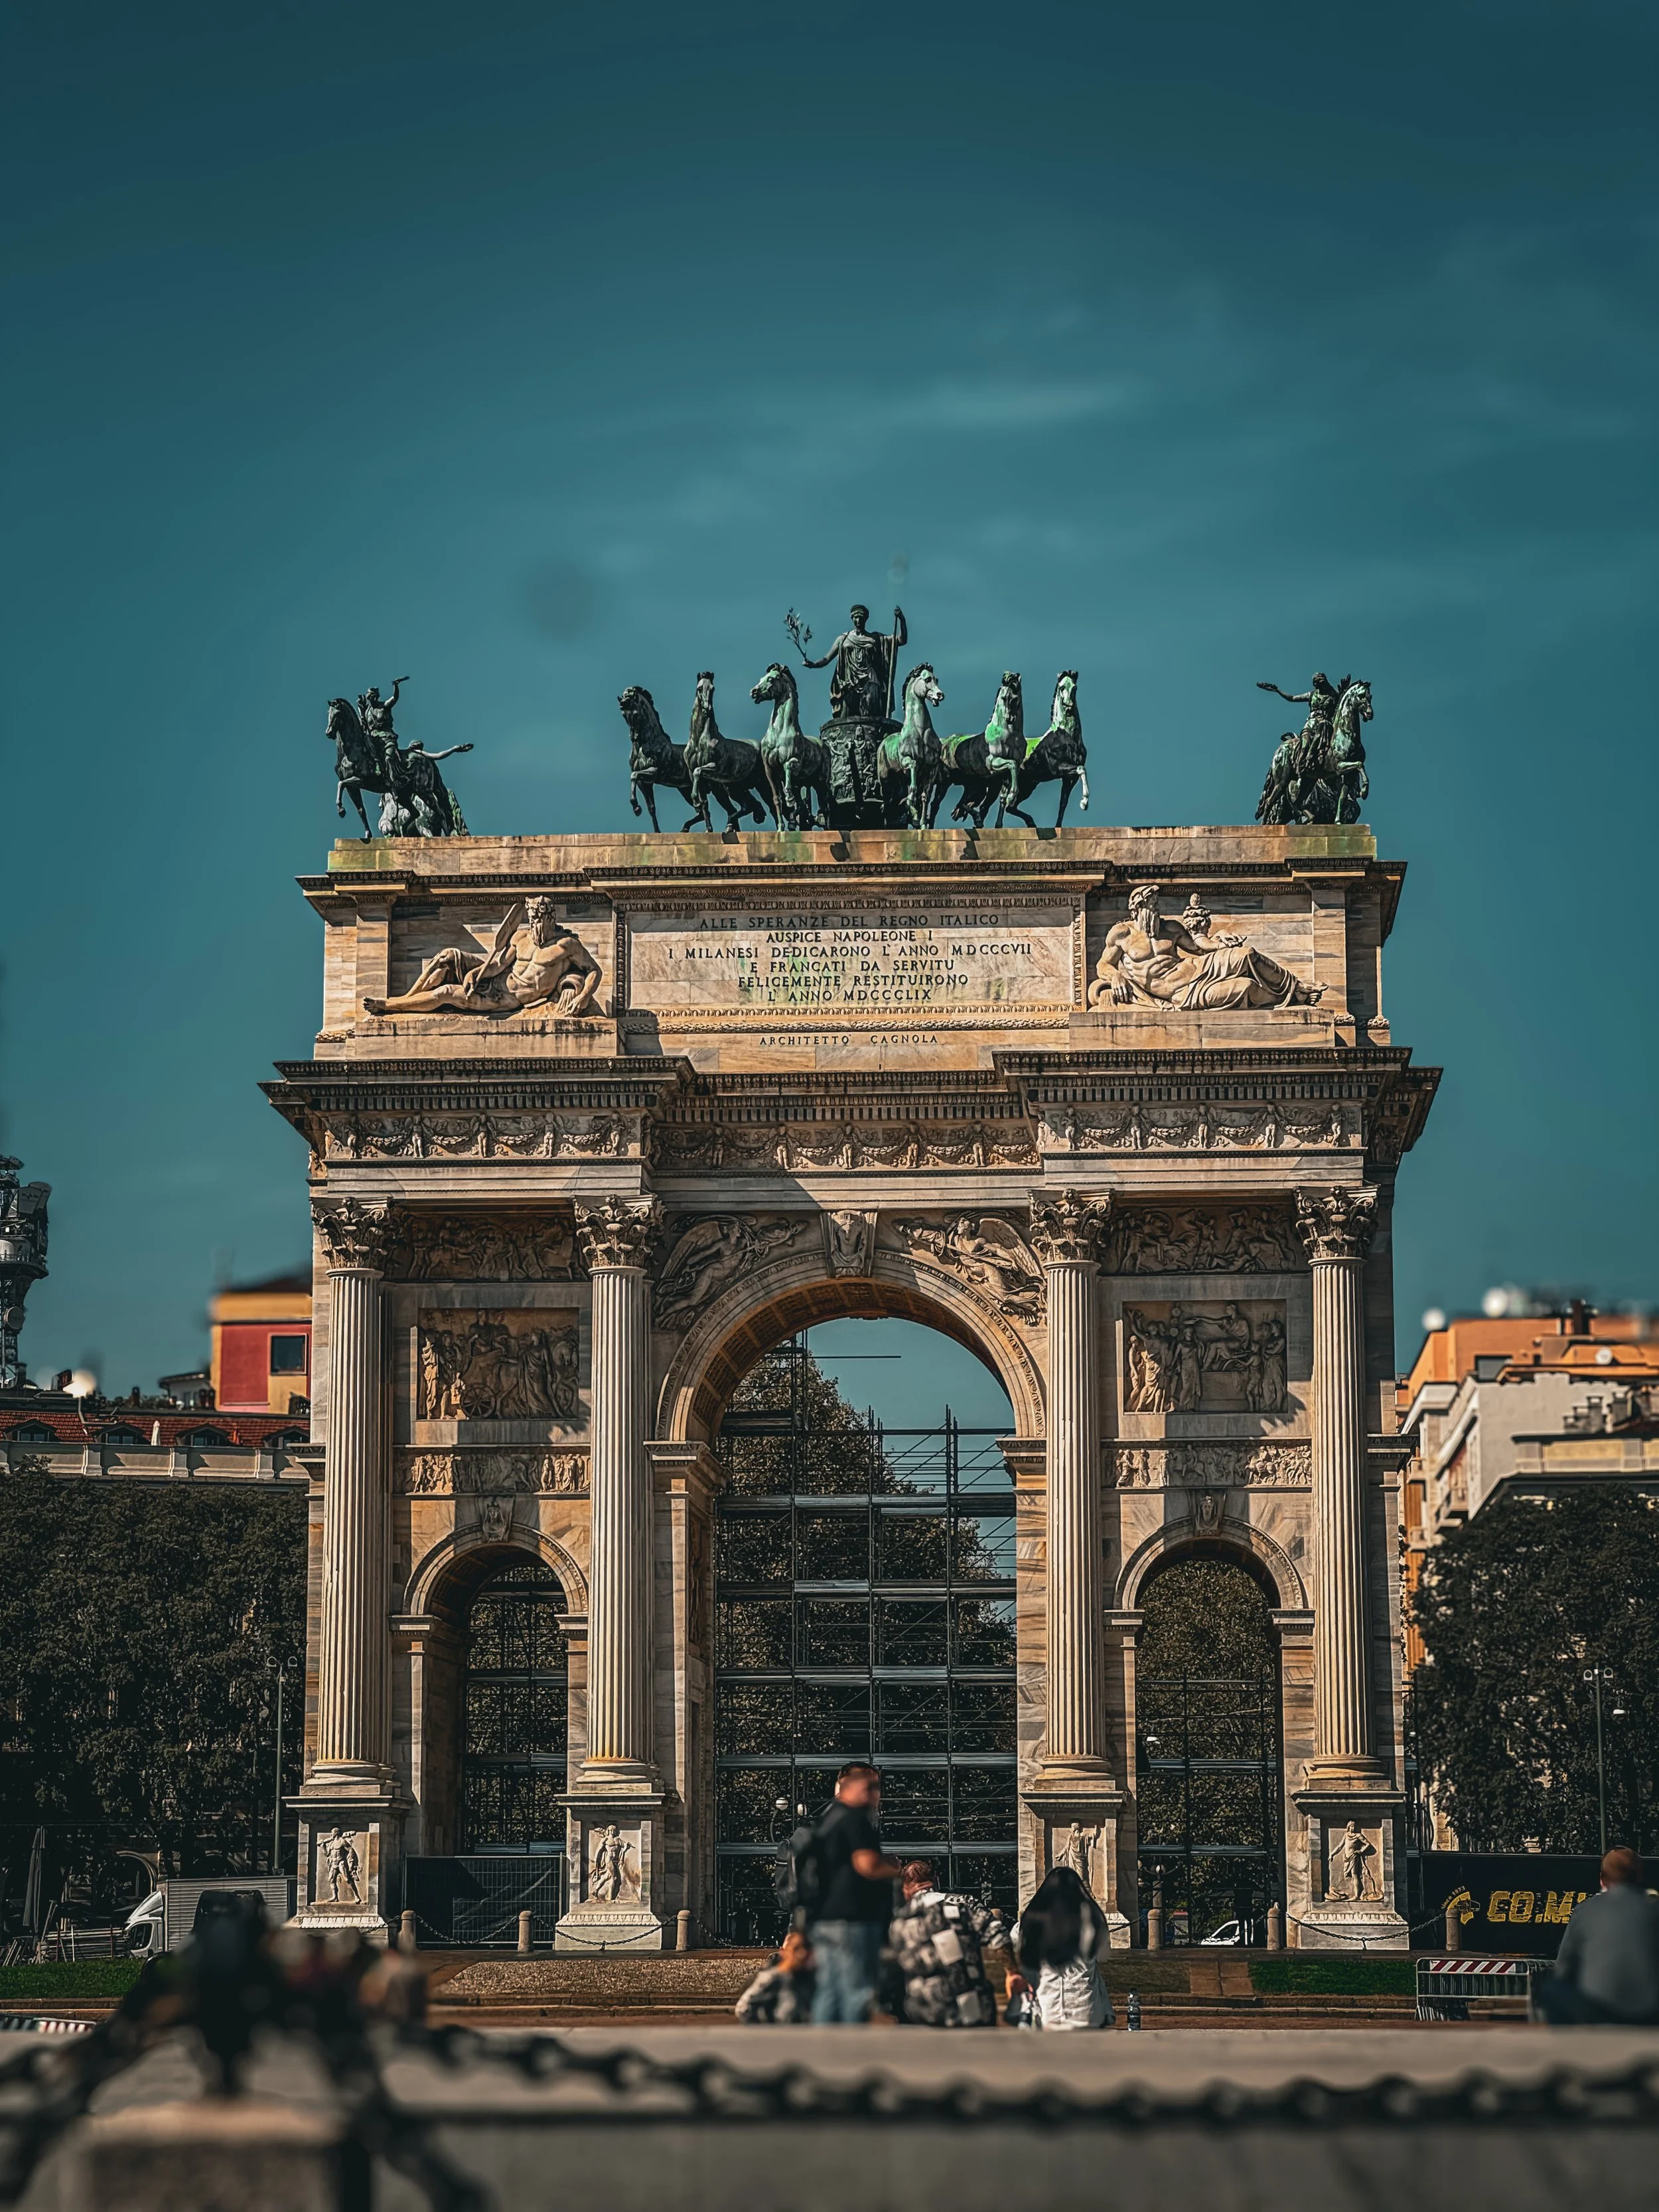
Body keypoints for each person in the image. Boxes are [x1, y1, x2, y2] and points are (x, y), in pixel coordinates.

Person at [805, 1762, 904, 2024]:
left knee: (829, 1991)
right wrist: (894, 1869)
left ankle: (824, 2052)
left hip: (825, 1918)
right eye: (871, 1787)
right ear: (849, 1786)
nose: (876, 1794)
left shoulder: (826, 1819)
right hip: (854, 1918)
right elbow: (867, 1865)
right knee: (856, 1991)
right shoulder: (855, 1819)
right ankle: (849, 2054)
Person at [1534, 1848, 1659, 2024]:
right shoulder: (1654, 1909)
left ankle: (1570, 2046)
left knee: (1551, 1989)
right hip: (1649, 2012)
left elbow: (1563, 1967)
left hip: (1598, 2010)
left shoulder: (1586, 1910)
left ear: (1603, 1879)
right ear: (1639, 1876)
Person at [883, 1861, 1012, 2028]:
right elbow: (997, 1933)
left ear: (905, 1889)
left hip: (923, 2012)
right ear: (936, 1880)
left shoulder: (901, 1919)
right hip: (971, 2007)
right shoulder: (964, 1903)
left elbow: (891, 1968)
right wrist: (1013, 1972)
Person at [1009, 1866, 1115, 2029]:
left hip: (1046, 2008)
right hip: (1085, 2007)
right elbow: (1103, 1954)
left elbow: (1016, 1950)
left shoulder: (1030, 1923)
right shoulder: (1092, 1923)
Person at [735, 1928, 817, 2023]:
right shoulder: (773, 1977)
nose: (802, 1954)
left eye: (806, 1948)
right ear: (784, 1952)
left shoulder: (811, 1977)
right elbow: (743, 2008)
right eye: (796, 1949)